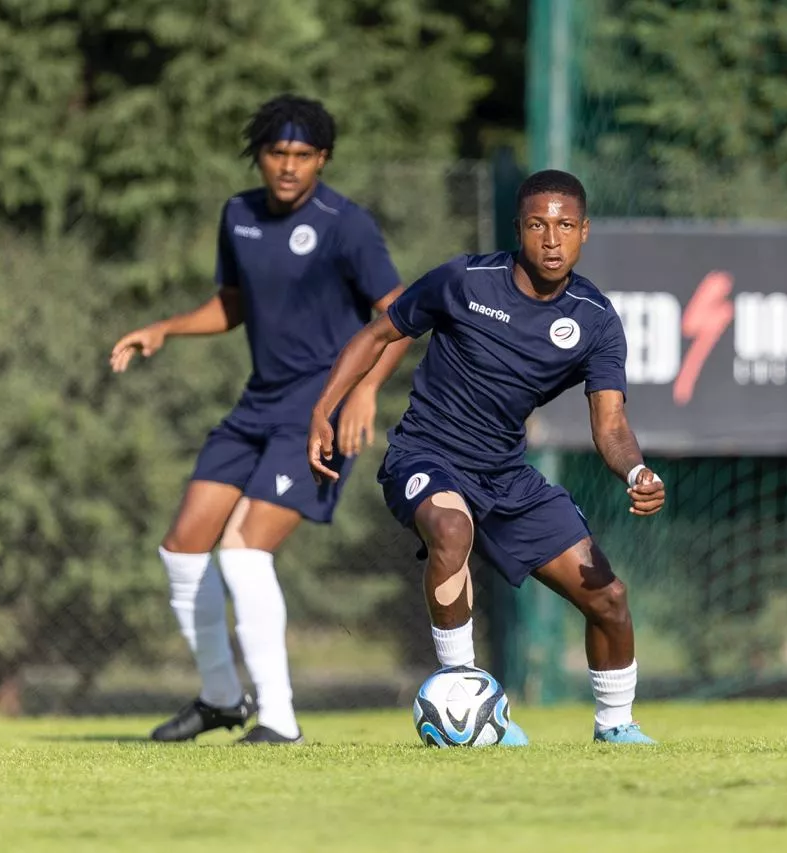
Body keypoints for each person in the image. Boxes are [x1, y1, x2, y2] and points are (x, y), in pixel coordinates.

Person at [307, 169, 666, 744]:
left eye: (565, 225)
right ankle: (461, 696)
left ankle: (616, 727)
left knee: (609, 597)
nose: (551, 239)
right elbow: (378, 334)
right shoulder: (465, 280)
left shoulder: (595, 320)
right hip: (427, 454)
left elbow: (611, 423)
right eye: (537, 225)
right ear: (518, 229)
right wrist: (325, 407)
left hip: (505, 476)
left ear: (584, 232)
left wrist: (636, 469)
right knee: (450, 526)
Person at [111, 94, 409, 745]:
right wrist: (166, 328)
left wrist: (364, 394)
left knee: (242, 554)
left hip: (319, 414)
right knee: (183, 548)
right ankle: (221, 698)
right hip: (258, 405)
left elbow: (399, 316)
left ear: (323, 158)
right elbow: (232, 305)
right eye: (277, 152)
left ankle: (279, 718)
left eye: (303, 155)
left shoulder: (346, 225)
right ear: (259, 156)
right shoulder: (239, 214)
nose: (289, 166)